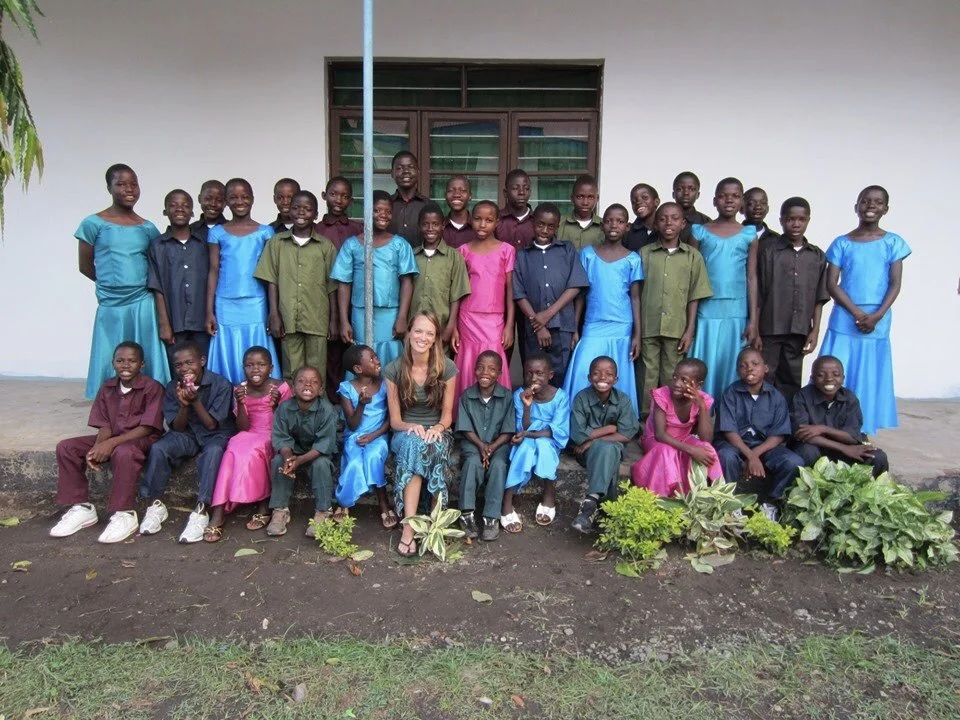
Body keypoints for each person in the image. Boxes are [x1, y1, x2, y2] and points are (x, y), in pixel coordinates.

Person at [50, 342, 164, 543]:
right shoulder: (108, 387)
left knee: (124, 452)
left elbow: (147, 427)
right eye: (120, 361)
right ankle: (81, 507)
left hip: (141, 439)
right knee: (66, 447)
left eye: (132, 361)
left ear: (142, 364)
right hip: (113, 438)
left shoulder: (152, 387)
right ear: (113, 363)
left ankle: (124, 514)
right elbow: (104, 425)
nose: (126, 365)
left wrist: (109, 445)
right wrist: (98, 446)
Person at [818, 185, 910, 434]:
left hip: (877, 318)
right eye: (865, 201)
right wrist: (856, 313)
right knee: (836, 370)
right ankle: (828, 426)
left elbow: (895, 283)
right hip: (846, 316)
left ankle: (863, 430)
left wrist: (876, 315)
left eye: (878, 202)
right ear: (856, 206)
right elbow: (831, 283)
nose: (871, 205)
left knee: (868, 373)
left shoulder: (893, 243)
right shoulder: (842, 243)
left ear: (886, 209)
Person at [76, 163, 169, 399]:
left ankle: (147, 406)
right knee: (111, 354)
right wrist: (112, 285)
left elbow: (154, 266)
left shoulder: (147, 228)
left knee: (144, 355)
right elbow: (85, 266)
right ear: (109, 187)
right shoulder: (93, 223)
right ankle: (111, 409)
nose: (129, 189)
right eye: (121, 184)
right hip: (112, 303)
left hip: (142, 301)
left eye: (133, 184)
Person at [138, 341, 234, 542]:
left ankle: (201, 510)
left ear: (202, 361)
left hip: (214, 434)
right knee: (159, 448)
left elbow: (211, 425)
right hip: (188, 434)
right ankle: (155, 504)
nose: (184, 369)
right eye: (179, 365)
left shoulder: (221, 384)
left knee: (215, 452)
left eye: (189, 363)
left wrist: (195, 400)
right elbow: (177, 428)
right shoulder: (173, 386)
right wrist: (183, 405)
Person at [384, 312, 458, 557]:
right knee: (415, 445)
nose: (422, 337)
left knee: (434, 446)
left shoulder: (446, 367)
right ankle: (410, 526)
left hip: (438, 430)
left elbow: (447, 416)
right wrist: (410, 427)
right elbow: (395, 420)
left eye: (429, 333)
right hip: (406, 433)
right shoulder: (394, 369)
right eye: (418, 331)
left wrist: (437, 429)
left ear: (436, 338)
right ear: (409, 333)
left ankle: (435, 526)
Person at [205, 346, 291, 542]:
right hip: (248, 432)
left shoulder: (281, 388)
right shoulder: (240, 389)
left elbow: (285, 424)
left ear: (271, 367)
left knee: (254, 451)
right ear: (243, 368)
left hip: (273, 433)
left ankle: (263, 504)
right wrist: (241, 403)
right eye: (250, 365)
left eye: (261, 365)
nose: (255, 370)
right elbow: (242, 427)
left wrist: (277, 405)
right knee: (232, 448)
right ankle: (218, 512)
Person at [564, 204, 643, 414]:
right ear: (602, 225)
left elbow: (635, 298)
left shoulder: (633, 259)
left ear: (627, 226)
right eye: (608, 220)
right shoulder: (588, 254)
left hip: (622, 326)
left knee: (617, 373)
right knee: (584, 368)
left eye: (619, 221)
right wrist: (575, 327)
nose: (613, 225)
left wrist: (637, 334)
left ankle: (619, 421)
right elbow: (580, 294)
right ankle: (579, 418)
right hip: (593, 324)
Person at [687, 177, 759, 401]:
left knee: (730, 362)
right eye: (723, 195)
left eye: (735, 195)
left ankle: (729, 418)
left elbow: (752, 277)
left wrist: (753, 320)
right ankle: (700, 416)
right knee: (704, 362)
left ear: (742, 202)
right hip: (706, 309)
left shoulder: (749, 234)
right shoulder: (699, 231)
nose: (729, 200)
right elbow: (692, 277)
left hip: (736, 311)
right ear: (714, 200)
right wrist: (689, 322)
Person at [255, 190, 338, 381]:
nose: (301, 213)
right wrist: (274, 313)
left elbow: (332, 286)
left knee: (317, 369)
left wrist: (334, 319)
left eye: (307, 209)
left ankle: (317, 408)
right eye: (296, 208)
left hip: (317, 318)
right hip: (287, 318)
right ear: (289, 211)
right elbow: (272, 280)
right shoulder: (276, 243)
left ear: (316, 215)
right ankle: (293, 407)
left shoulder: (325, 246)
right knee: (291, 370)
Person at [638, 202, 712, 417]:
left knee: (674, 375)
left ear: (683, 223)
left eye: (674, 218)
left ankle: (671, 419)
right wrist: (638, 329)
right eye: (663, 218)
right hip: (648, 325)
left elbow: (695, 295)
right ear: (655, 223)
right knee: (647, 377)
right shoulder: (644, 254)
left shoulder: (692, 256)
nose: (668, 222)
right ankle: (646, 421)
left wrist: (689, 330)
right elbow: (635, 293)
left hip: (677, 328)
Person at [205, 178, 280, 384]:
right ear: (226, 201)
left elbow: (271, 274)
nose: (240, 201)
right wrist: (209, 310)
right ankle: (228, 398)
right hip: (225, 302)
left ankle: (259, 399)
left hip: (256, 301)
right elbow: (213, 271)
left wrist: (273, 311)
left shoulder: (265, 232)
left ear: (253, 199)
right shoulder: (217, 232)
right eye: (234, 197)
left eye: (245, 197)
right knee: (227, 346)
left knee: (255, 346)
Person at [330, 190, 418, 368]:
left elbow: (407, 282)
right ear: (367, 212)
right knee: (363, 355)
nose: (382, 215)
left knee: (390, 357)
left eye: (387, 211)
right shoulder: (352, 245)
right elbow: (344, 284)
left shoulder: (399, 245)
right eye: (377, 210)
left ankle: (391, 395)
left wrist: (402, 317)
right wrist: (344, 320)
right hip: (360, 312)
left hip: (390, 312)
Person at [714, 348, 804, 519]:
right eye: (743, 365)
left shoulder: (776, 397)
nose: (749, 369)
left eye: (755, 364)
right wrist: (750, 455)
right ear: (737, 370)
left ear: (766, 368)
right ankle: (731, 503)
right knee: (725, 455)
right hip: (734, 444)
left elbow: (778, 434)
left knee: (793, 461)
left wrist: (754, 455)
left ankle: (770, 503)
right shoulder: (730, 394)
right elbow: (729, 430)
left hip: (763, 446)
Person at [757, 197, 829, 404]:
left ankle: (786, 426)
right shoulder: (768, 252)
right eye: (790, 219)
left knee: (791, 378)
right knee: (765, 376)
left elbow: (819, 297)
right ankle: (764, 422)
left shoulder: (816, 256)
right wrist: (754, 328)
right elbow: (758, 293)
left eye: (801, 219)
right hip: (769, 328)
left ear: (808, 220)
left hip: (798, 330)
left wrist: (814, 331)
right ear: (781, 220)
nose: (796, 224)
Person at [513, 203, 589, 384]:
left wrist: (547, 315)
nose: (545, 230)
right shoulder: (522, 255)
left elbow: (575, 286)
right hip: (533, 330)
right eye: (540, 224)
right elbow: (519, 293)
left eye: (551, 226)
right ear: (533, 223)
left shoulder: (567, 250)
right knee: (534, 376)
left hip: (563, 327)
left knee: (561, 375)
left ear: (557, 226)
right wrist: (538, 325)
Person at [264, 366, 338, 538]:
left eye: (314, 382)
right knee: (278, 462)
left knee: (321, 465)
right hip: (293, 453)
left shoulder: (326, 410)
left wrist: (300, 460)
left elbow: (323, 444)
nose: (307, 385)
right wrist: (289, 458)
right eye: (302, 381)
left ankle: (323, 512)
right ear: (293, 387)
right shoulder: (284, 408)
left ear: (320, 390)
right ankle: (280, 510)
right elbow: (281, 437)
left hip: (316, 454)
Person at [631, 358, 722, 497]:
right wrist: (691, 449)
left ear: (699, 384)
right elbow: (660, 435)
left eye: (684, 380)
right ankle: (663, 497)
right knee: (667, 451)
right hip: (656, 440)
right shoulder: (662, 395)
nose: (677, 383)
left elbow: (706, 438)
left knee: (707, 449)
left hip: (682, 440)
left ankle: (718, 494)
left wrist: (702, 407)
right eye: (675, 377)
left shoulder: (703, 400)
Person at [569, 356, 640, 534]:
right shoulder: (581, 398)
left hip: (603, 448)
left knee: (609, 449)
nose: (602, 377)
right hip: (585, 453)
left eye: (609, 374)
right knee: (610, 450)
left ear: (616, 379)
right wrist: (609, 428)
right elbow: (578, 434)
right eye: (596, 373)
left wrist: (593, 439)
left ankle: (589, 506)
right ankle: (607, 511)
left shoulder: (622, 399)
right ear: (588, 377)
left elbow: (627, 433)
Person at [500, 354, 570, 531]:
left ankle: (549, 493)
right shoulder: (519, 395)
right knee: (524, 449)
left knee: (545, 446)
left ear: (550, 375)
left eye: (539, 373)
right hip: (527, 436)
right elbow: (522, 427)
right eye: (529, 373)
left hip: (547, 438)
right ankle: (507, 500)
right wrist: (527, 406)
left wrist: (529, 435)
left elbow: (557, 431)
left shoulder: (560, 397)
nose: (533, 378)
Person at [454, 200, 515, 400]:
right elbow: (456, 291)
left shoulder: (506, 250)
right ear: (471, 220)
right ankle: (465, 415)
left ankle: (496, 414)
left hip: (495, 318)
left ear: (497, 222)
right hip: (467, 317)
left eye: (488, 220)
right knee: (469, 363)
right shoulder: (463, 250)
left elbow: (510, 291)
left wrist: (509, 325)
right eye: (478, 219)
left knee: (492, 361)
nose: (482, 224)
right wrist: (454, 326)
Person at [791, 356, 889, 477]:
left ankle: (870, 491)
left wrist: (822, 429)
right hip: (817, 448)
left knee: (878, 457)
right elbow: (803, 435)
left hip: (845, 451)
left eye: (836, 374)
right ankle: (812, 489)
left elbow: (853, 437)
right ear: (812, 378)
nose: (829, 379)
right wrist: (844, 448)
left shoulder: (850, 399)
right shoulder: (802, 397)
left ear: (842, 379)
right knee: (806, 451)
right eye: (821, 375)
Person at [455, 351, 515, 542]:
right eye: (480, 367)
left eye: (491, 369)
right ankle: (467, 514)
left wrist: (491, 447)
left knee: (498, 466)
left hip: (499, 445)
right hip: (473, 443)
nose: (484, 372)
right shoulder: (467, 396)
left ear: (499, 373)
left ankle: (491, 517)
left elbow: (508, 430)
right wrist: (481, 445)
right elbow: (465, 428)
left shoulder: (507, 397)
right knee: (472, 462)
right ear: (474, 370)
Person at [148, 189, 210, 372]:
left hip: (201, 320)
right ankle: (180, 399)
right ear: (165, 211)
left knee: (202, 365)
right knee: (178, 368)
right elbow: (156, 286)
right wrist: (164, 323)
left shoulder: (204, 242)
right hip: (174, 320)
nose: (179, 209)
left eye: (185, 205)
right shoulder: (157, 245)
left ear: (192, 212)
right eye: (173, 205)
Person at [314, 176, 363, 401]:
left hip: (355, 299)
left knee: (351, 351)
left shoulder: (358, 229)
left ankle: (350, 400)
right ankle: (331, 401)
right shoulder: (316, 230)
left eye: (344, 196)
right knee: (329, 354)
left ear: (350, 200)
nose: (338, 200)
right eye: (333, 194)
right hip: (322, 300)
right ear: (324, 196)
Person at [335, 344, 395, 526]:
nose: (377, 361)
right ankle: (344, 501)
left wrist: (374, 436)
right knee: (353, 461)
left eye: (376, 357)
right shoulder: (346, 388)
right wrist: (361, 404)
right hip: (355, 436)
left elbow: (391, 419)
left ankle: (383, 503)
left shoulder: (385, 385)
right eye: (372, 359)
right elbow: (352, 425)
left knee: (373, 456)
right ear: (358, 369)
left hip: (379, 435)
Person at [410, 203, 471, 348]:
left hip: (441, 326)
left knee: (439, 366)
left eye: (435, 224)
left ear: (443, 225)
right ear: (419, 226)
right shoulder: (411, 255)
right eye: (425, 224)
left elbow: (456, 295)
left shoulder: (454, 257)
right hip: (414, 326)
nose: (430, 229)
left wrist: (450, 326)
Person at [390, 151, 428, 246]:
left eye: (410, 167)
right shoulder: (386, 207)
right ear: (392, 173)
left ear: (418, 172)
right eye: (399, 168)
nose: (406, 171)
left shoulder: (429, 206)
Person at [556, 174, 603, 250]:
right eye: (580, 197)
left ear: (597, 199)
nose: (585, 202)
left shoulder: (604, 226)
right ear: (572, 198)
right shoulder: (559, 224)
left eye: (590, 197)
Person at [497, 168, 534, 251]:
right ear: (505, 193)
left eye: (526, 188)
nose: (522, 192)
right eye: (515, 188)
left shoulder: (538, 222)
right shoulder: (496, 220)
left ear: (530, 192)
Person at [672, 171, 711, 245]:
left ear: (698, 195)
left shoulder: (706, 222)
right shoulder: (661, 220)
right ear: (673, 194)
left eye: (692, 189)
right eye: (680, 189)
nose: (686, 193)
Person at [623, 183, 660, 251]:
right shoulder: (627, 232)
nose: (638, 202)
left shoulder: (665, 229)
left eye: (645, 197)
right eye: (634, 201)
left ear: (656, 202)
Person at [442, 175, 476, 248]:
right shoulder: (438, 227)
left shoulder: (479, 228)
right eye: (451, 190)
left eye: (463, 191)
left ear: (470, 196)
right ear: (445, 195)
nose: (456, 194)